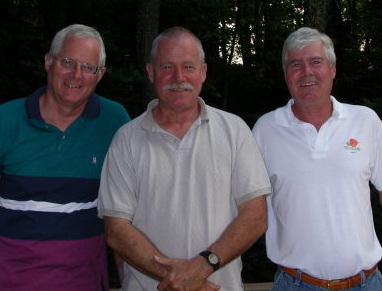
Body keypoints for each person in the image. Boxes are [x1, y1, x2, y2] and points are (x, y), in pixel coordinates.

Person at [97, 27, 271, 291]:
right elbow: (117, 229)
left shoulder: (235, 131)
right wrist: (180, 278)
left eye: (188, 66)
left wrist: (201, 267)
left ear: (203, 72)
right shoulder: (125, 140)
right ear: (151, 72)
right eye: (167, 67)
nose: (179, 77)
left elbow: (255, 216)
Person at [0, 24, 130, 291]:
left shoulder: (115, 122)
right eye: (67, 61)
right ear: (48, 62)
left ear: (100, 75)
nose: (76, 74)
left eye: (88, 67)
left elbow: (122, 215)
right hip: (5, 283)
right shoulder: (1, 121)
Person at [252, 27, 382, 291]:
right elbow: (247, 210)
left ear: (332, 69)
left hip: (367, 284)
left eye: (315, 62)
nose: (307, 72)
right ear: (286, 75)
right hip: (295, 285)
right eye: (295, 64)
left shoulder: (365, 121)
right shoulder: (265, 130)